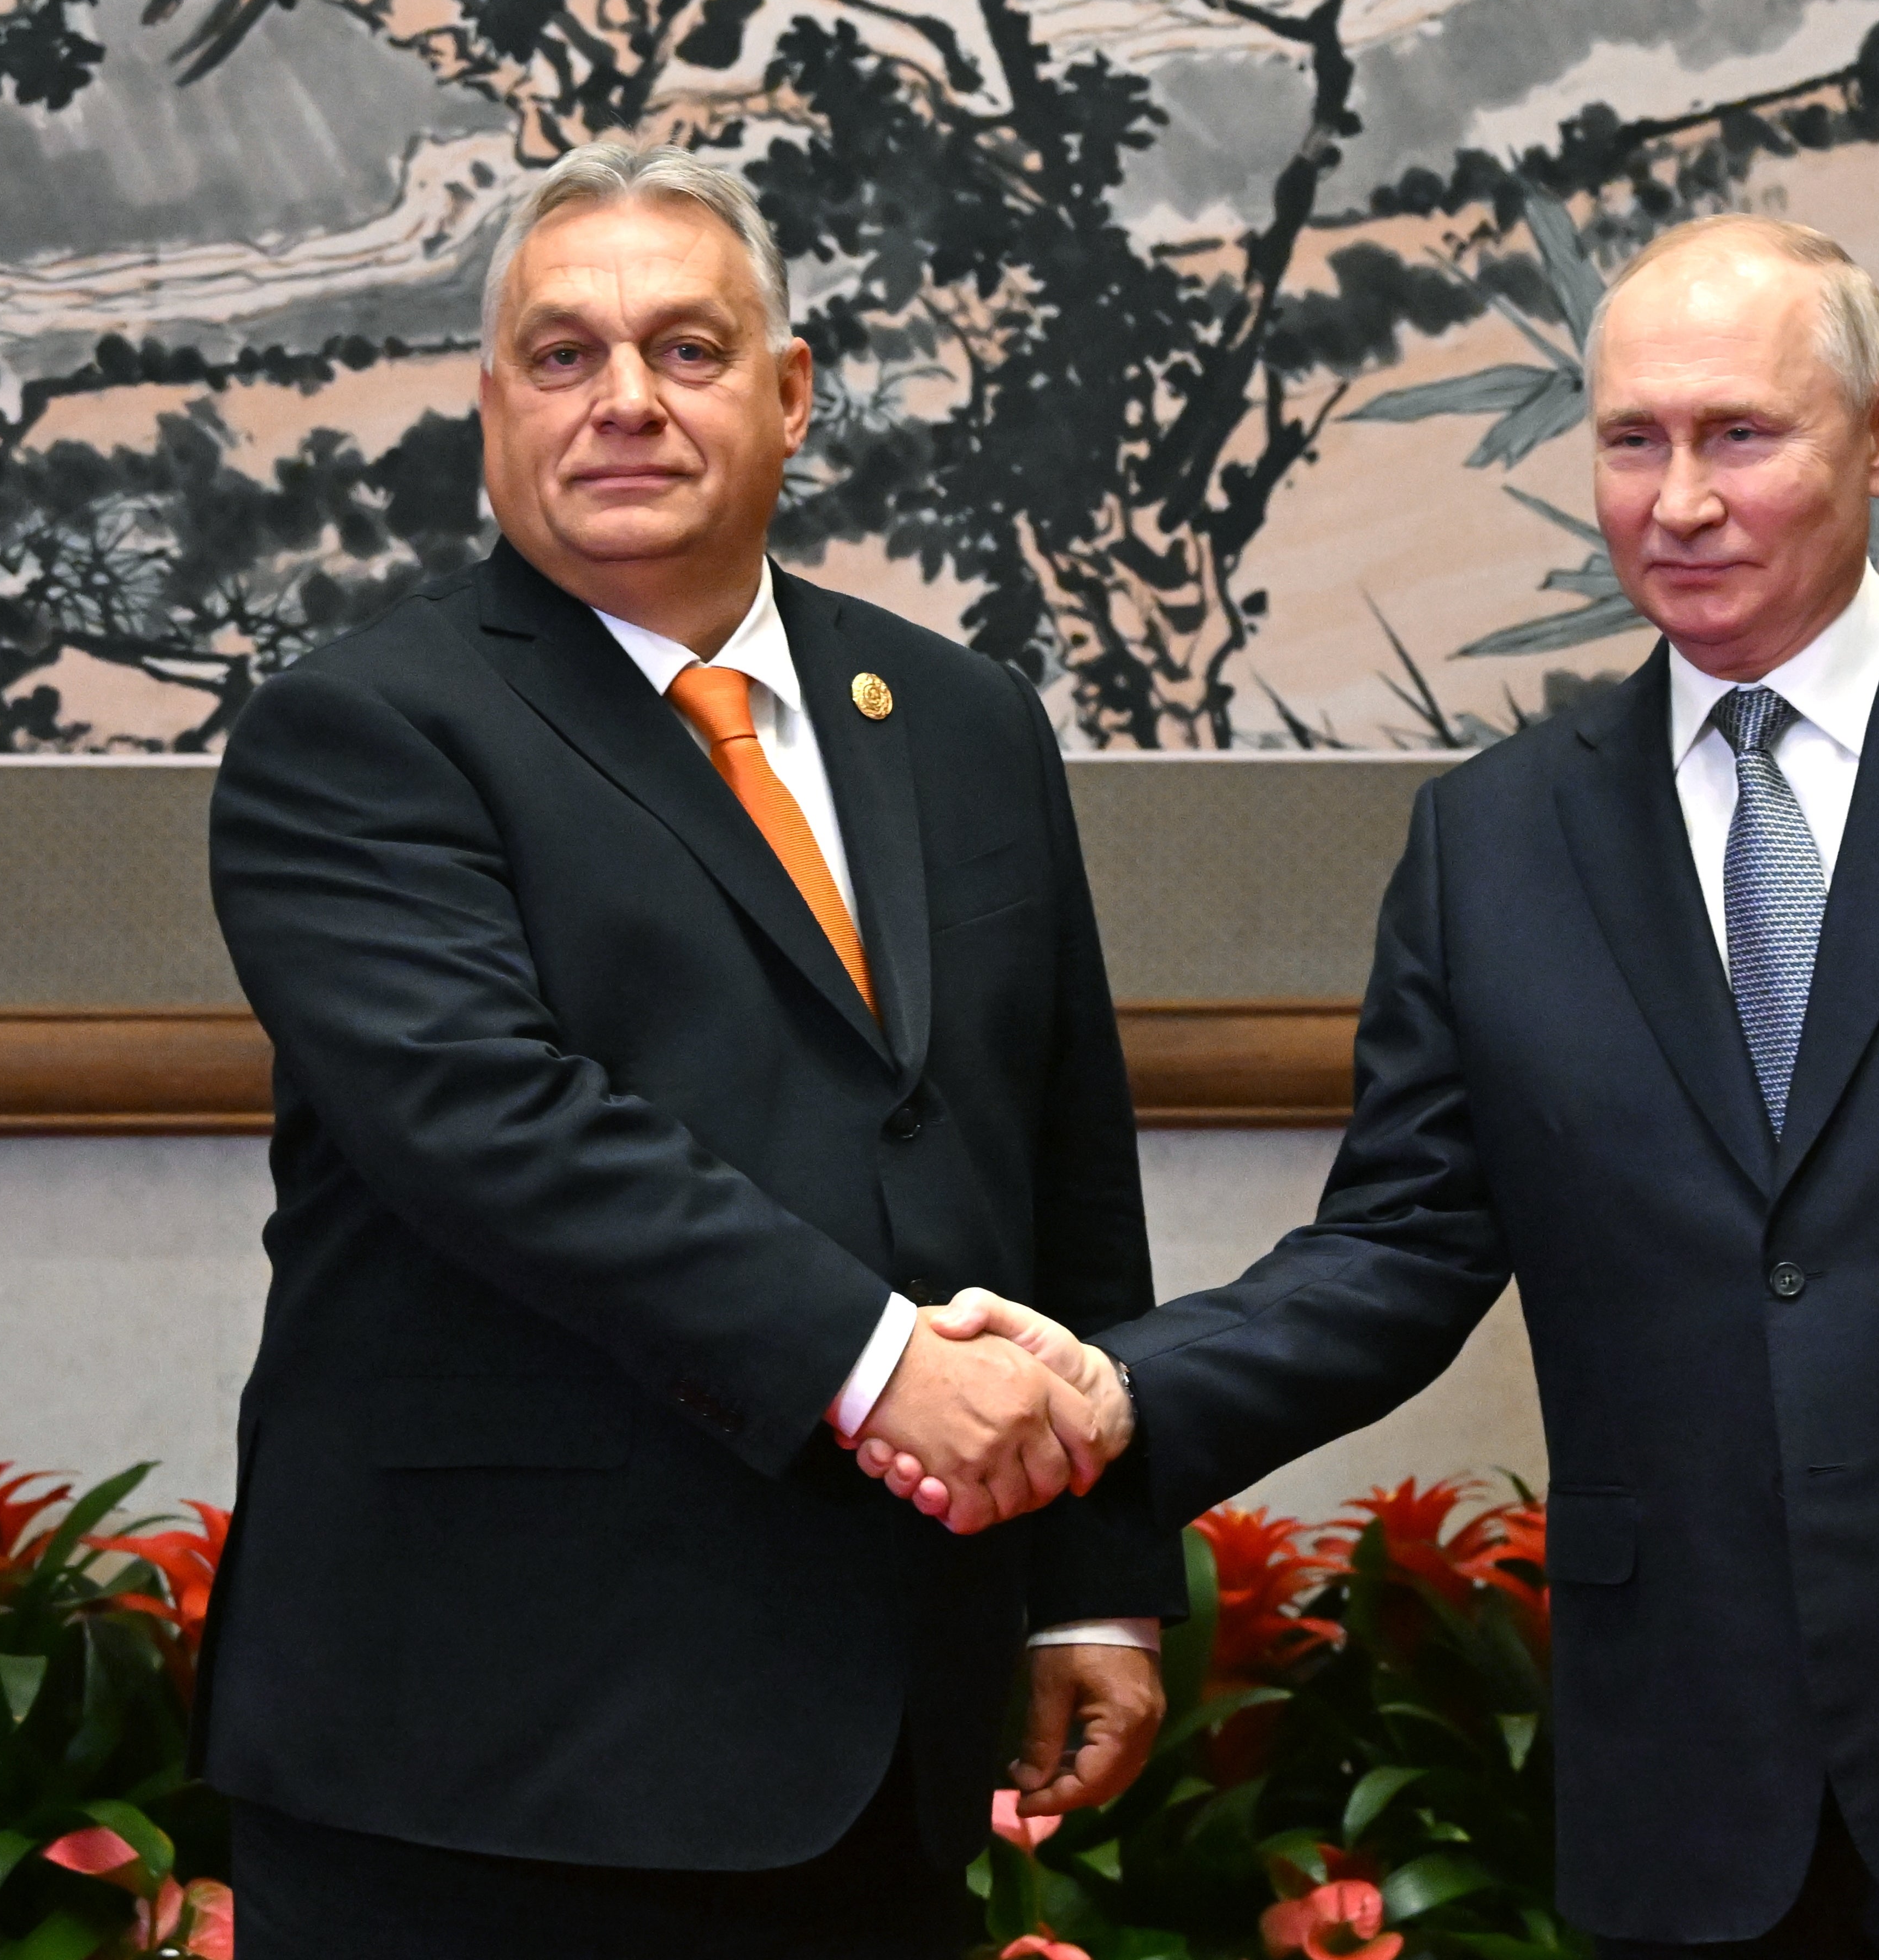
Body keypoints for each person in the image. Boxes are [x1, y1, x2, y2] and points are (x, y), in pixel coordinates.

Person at [865, 216, 1879, 1957]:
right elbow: (1399, 1254)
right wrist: (1117, 1390)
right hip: (1687, 1783)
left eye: (1739, 435)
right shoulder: (1490, 837)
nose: (1678, 500)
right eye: (1631, 441)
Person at [203, 142, 1176, 1960]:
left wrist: (1092, 1592)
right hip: (486, 1763)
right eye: (560, 356)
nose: (622, 403)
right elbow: (496, 1130)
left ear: (792, 393)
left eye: (688, 349)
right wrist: (887, 1369)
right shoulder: (361, 734)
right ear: (488, 405)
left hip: (881, 1738)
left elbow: (1058, 1163)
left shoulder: (963, 721)